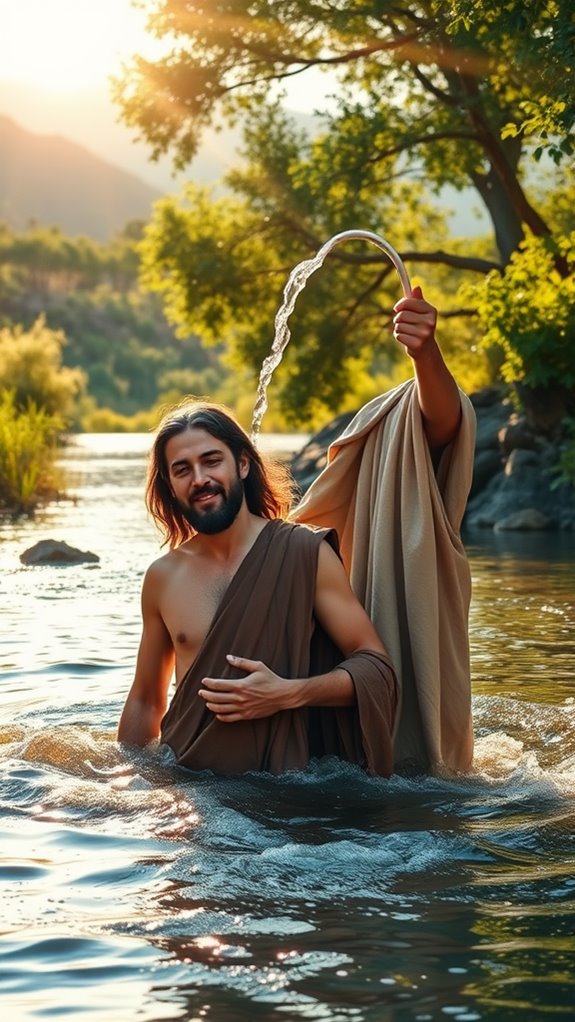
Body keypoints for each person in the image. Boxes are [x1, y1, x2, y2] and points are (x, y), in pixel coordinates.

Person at [118, 287, 473, 776]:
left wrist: (287, 693)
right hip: (194, 795)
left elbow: (377, 668)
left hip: (292, 800)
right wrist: (129, 789)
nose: (199, 478)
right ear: (171, 486)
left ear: (242, 464)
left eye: (211, 460)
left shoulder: (304, 554)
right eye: (182, 469)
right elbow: (144, 702)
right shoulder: (163, 577)